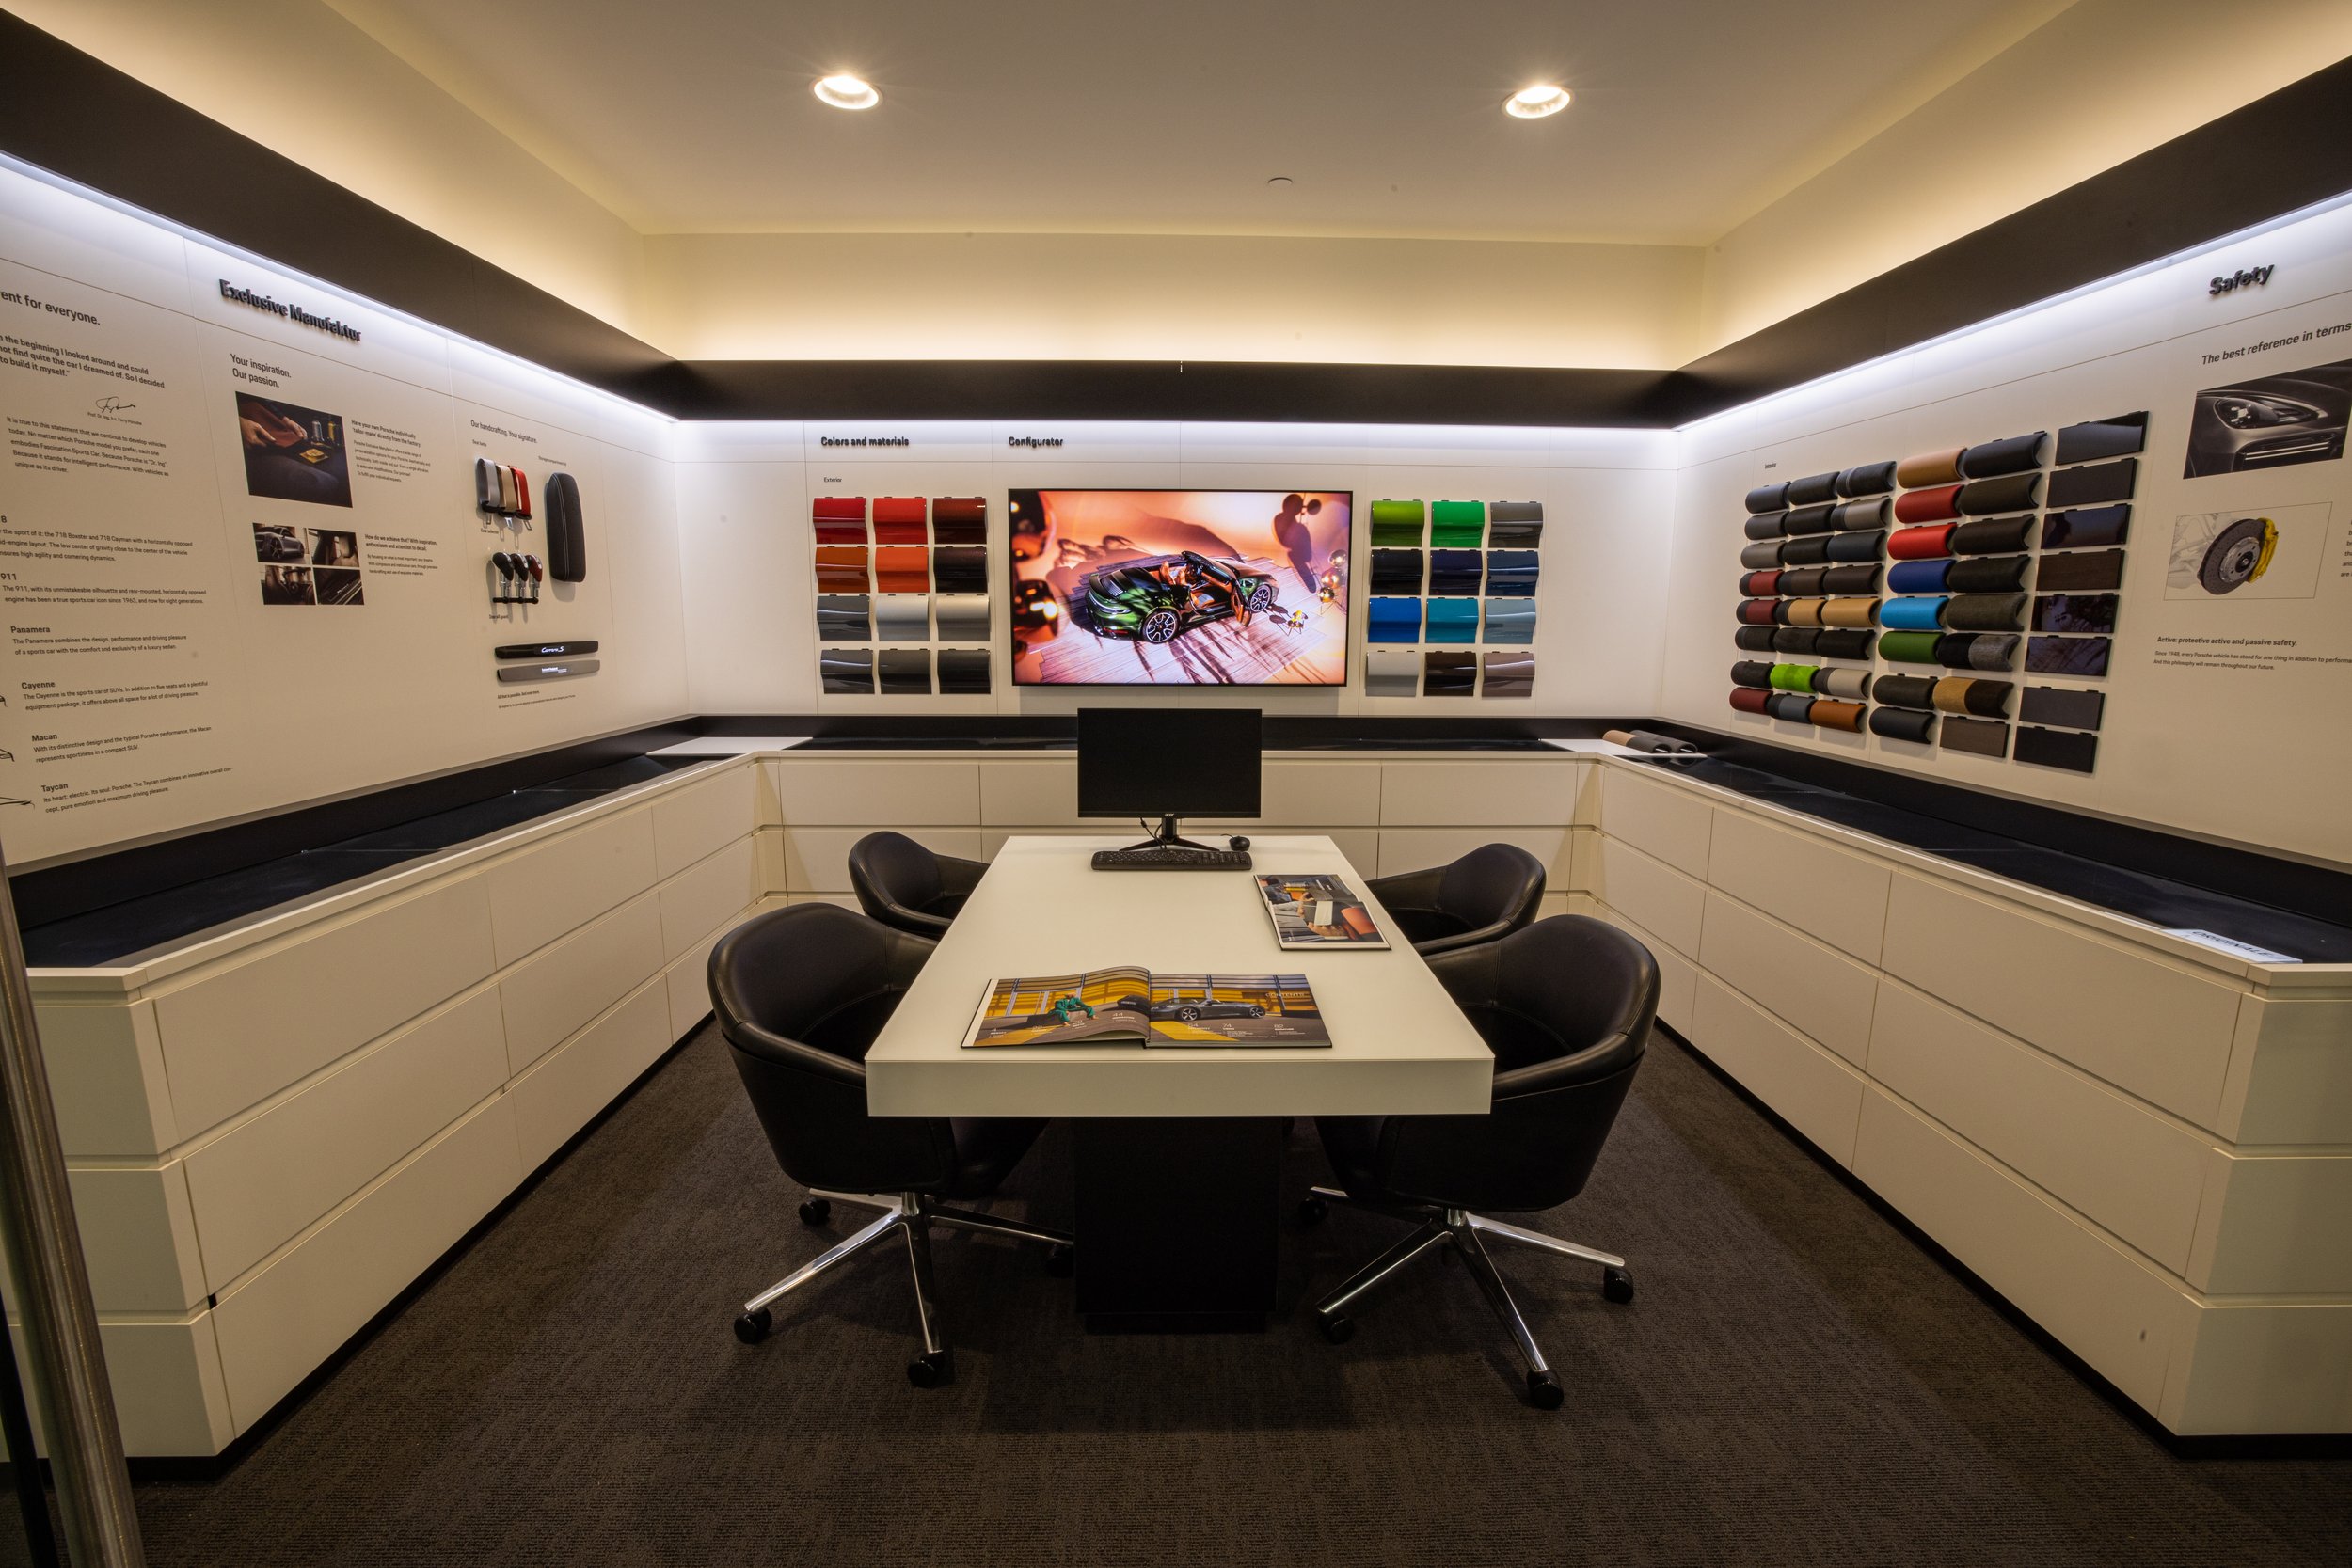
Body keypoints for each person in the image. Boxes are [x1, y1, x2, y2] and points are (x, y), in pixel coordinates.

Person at [1271, 493, 1323, 593]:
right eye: (1297, 506)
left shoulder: (1282, 520)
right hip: (1298, 555)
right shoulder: (1297, 527)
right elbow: (1307, 556)